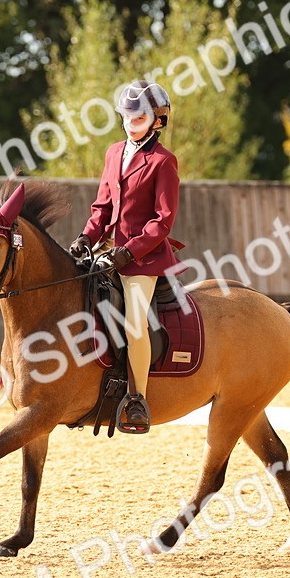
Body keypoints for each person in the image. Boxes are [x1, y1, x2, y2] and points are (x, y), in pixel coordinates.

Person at [68, 80, 185, 433]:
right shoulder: (113, 152)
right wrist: (86, 238)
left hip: (143, 259)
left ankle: (137, 399)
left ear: (157, 120)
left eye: (140, 116)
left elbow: (162, 221)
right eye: (127, 116)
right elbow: (103, 206)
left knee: (135, 323)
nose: (131, 122)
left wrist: (127, 253)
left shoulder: (164, 161)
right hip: (108, 251)